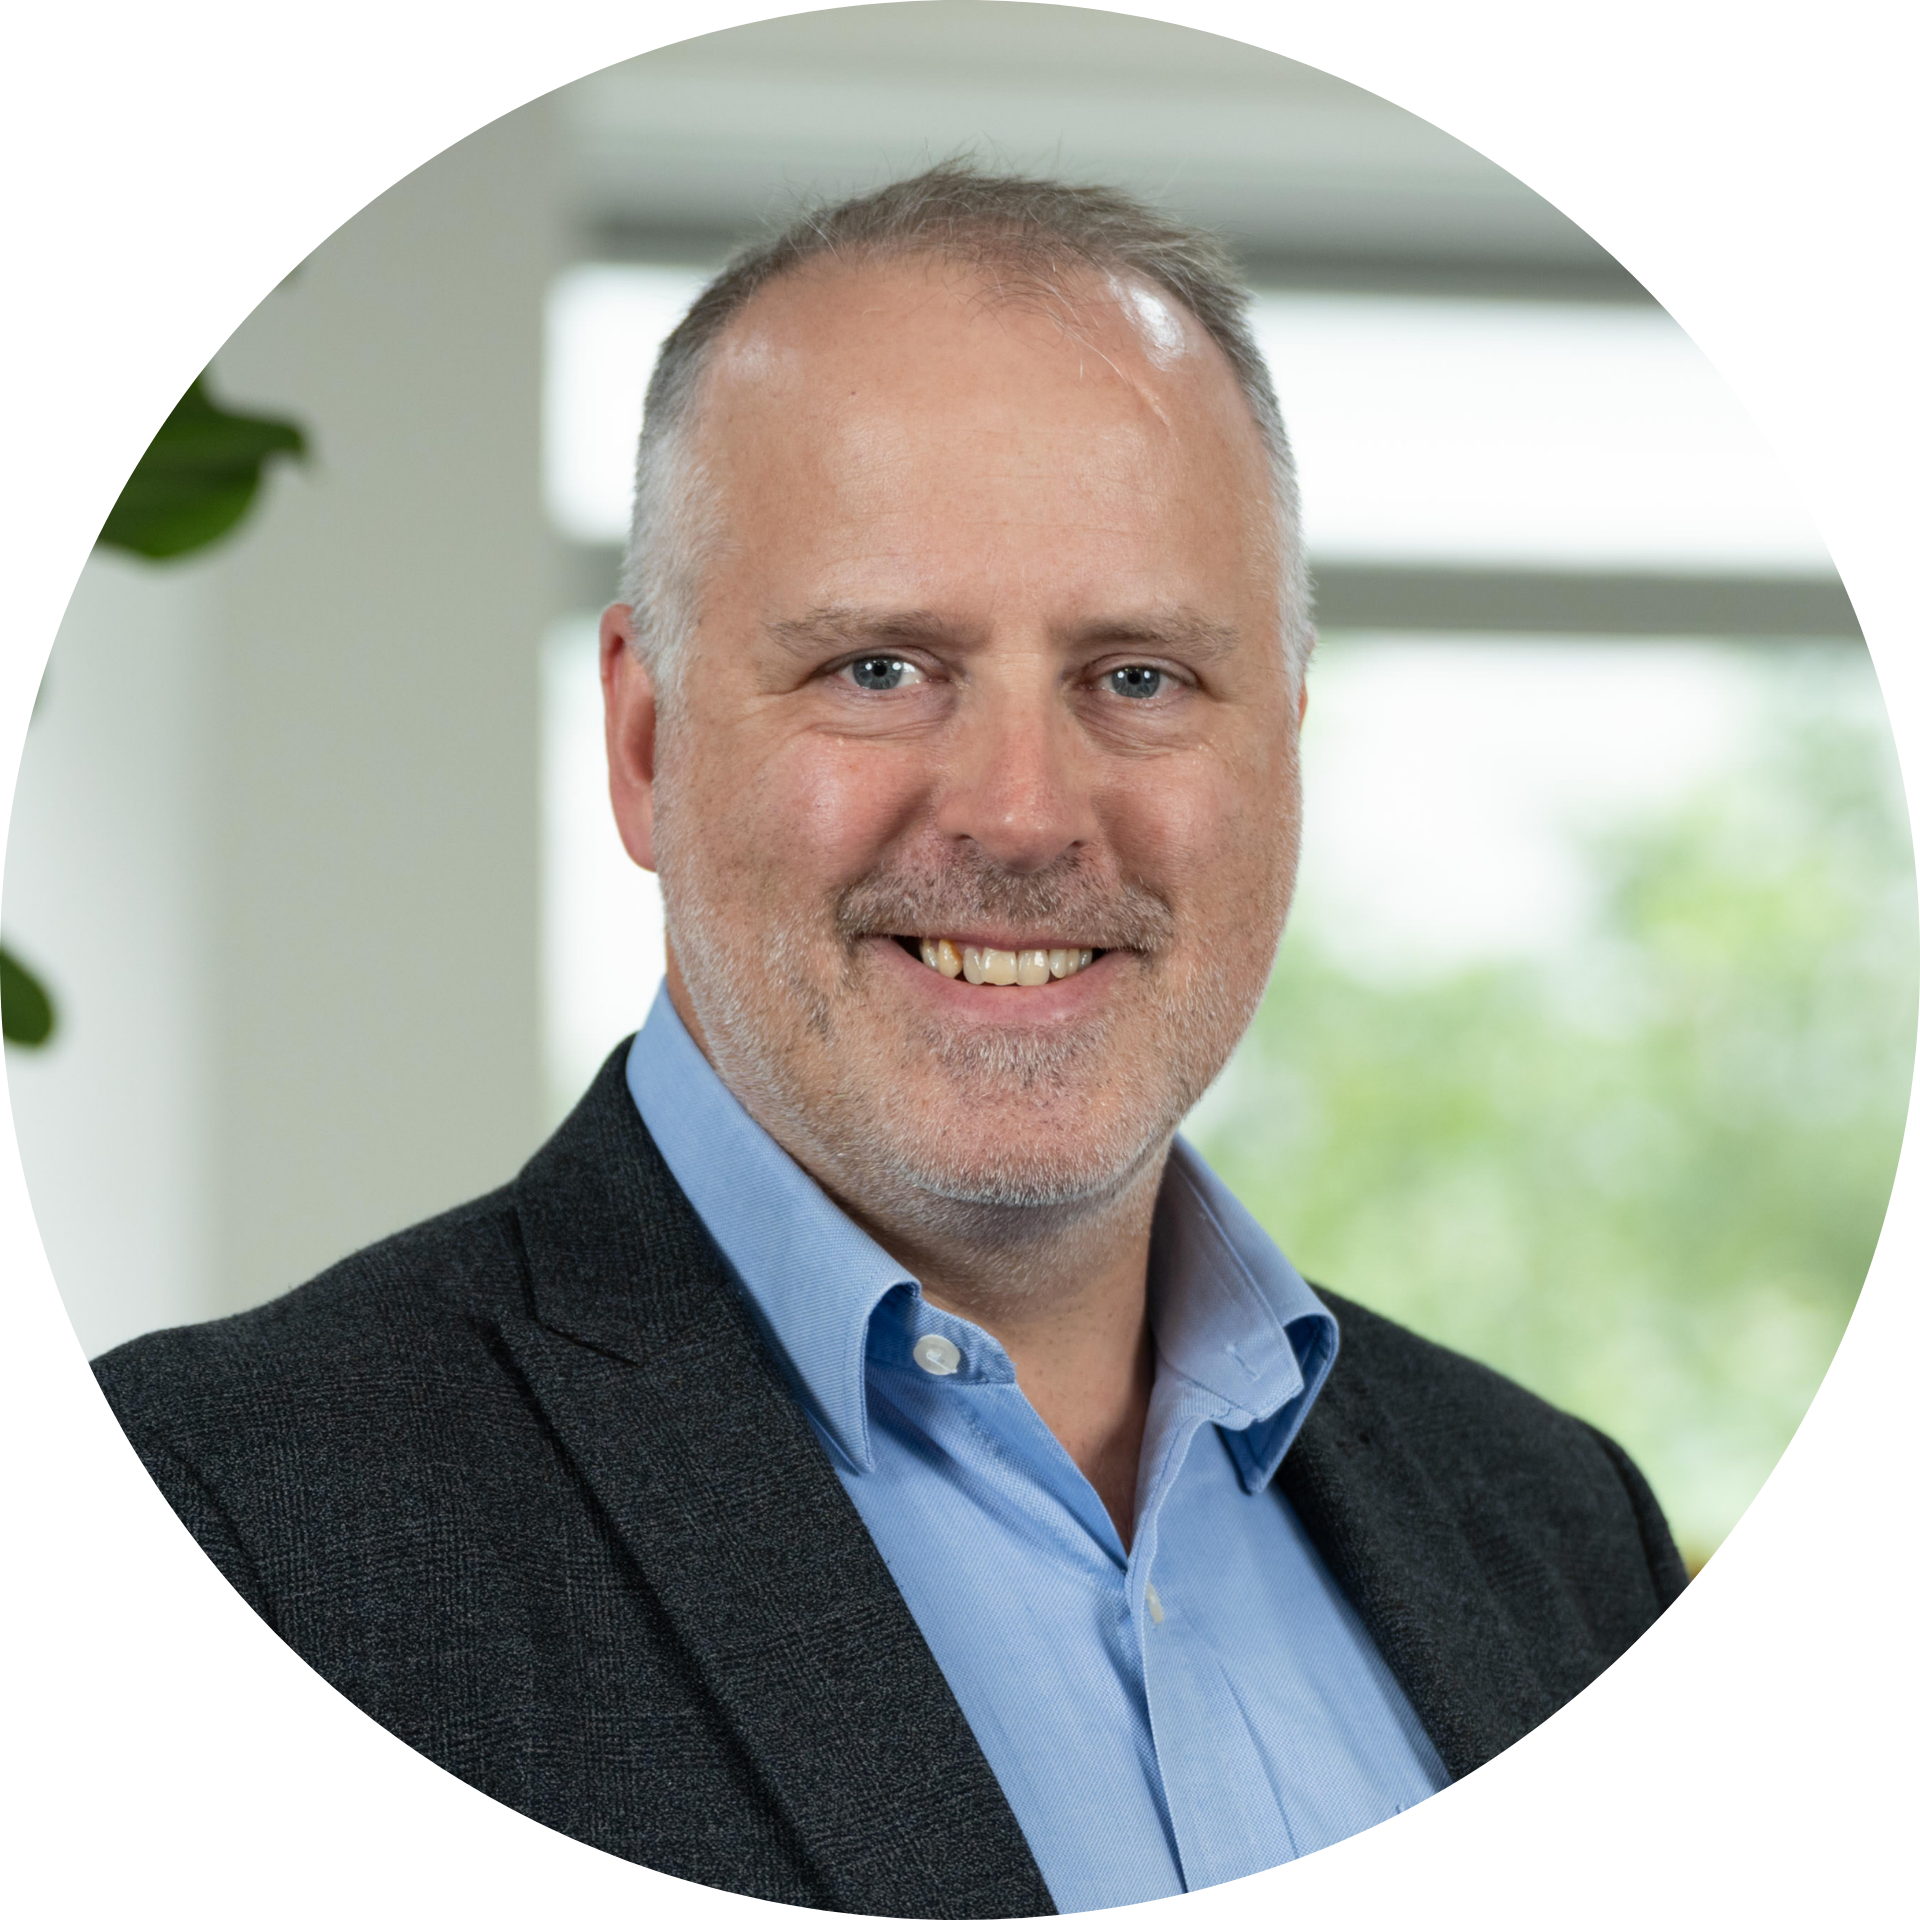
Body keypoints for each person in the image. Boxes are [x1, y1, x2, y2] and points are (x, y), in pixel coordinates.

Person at [93, 166, 1686, 1917]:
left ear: (1283, 748)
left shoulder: (1563, 1540)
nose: (1023, 813)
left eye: (1139, 677)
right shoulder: (217, 1529)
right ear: (644, 743)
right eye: (879, 669)